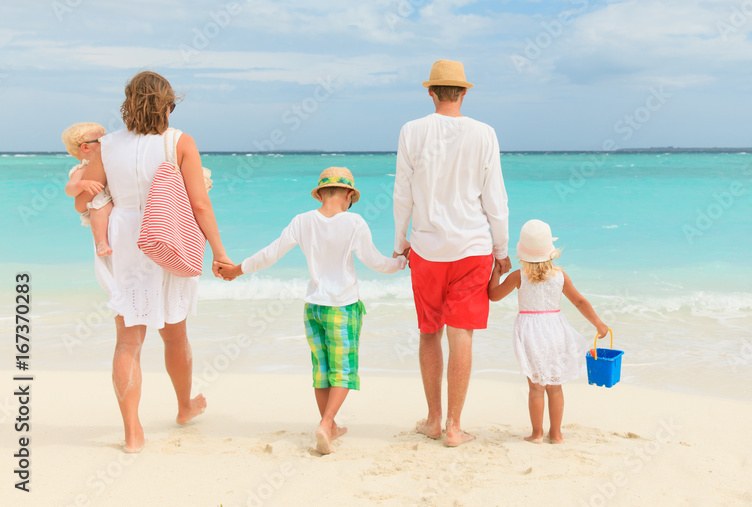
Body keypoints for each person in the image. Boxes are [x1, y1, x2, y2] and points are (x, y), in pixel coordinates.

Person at [76, 71, 229, 453]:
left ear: (128, 103)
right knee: (175, 333)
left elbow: (84, 201)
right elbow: (198, 204)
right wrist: (219, 252)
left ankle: (132, 434)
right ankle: (183, 406)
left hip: (124, 238)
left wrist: (96, 202)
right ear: (168, 105)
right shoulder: (180, 142)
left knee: (128, 341)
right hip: (168, 232)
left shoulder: (105, 146)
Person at [215, 167, 406, 454]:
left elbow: (271, 253)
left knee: (322, 370)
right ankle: (326, 423)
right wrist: (402, 261)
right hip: (342, 307)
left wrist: (238, 270)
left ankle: (329, 426)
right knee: (343, 371)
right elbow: (376, 262)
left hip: (313, 307)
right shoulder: (354, 222)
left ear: (321, 192)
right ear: (349, 194)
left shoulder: (302, 221)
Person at [393, 58, 510, 447]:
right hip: (473, 248)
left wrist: (399, 244)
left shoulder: (411, 131)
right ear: (463, 92)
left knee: (430, 333)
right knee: (462, 336)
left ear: (431, 92)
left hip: (426, 249)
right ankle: (455, 428)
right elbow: (495, 198)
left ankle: (432, 419)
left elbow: (402, 194)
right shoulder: (485, 133)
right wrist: (502, 247)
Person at [488, 219, 609, 444]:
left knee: (535, 387)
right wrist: (599, 324)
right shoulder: (560, 276)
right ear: (550, 251)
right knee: (555, 385)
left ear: (522, 251)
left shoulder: (518, 276)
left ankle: (536, 435)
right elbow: (580, 302)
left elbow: (493, 295)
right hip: (556, 331)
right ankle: (556, 434)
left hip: (530, 333)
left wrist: (495, 271)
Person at [62, 122, 113, 256]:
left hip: (111, 201)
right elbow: (69, 189)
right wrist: (82, 184)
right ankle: (101, 243)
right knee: (99, 208)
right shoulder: (82, 168)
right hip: (98, 203)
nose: (107, 143)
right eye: (102, 140)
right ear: (85, 147)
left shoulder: (107, 160)